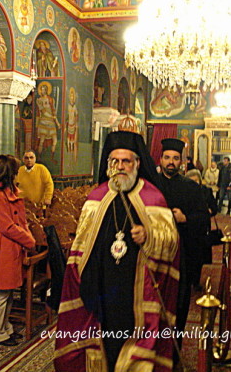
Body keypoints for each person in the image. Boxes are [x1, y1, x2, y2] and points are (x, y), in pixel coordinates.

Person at [55, 131, 179, 371]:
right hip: (102, 284)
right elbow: (82, 242)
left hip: (136, 288)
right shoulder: (96, 197)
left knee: (130, 335)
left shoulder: (153, 197)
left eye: (126, 161)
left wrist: (149, 236)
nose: (120, 167)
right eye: (115, 161)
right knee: (104, 337)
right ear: (108, 164)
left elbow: (171, 242)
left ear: (137, 163)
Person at [156, 138, 209, 357]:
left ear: (182, 162)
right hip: (153, 255)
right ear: (160, 159)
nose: (171, 162)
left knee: (178, 303)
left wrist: (185, 218)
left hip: (183, 256)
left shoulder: (191, 187)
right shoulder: (150, 185)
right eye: (167, 157)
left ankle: (173, 351)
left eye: (175, 158)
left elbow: (204, 219)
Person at [0, 155, 35, 348]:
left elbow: (20, 220)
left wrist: (26, 237)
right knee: (0, 292)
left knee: (8, 292)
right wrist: (29, 240)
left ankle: (5, 327)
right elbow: (7, 226)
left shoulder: (10, 191)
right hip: (3, 247)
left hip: (12, 246)